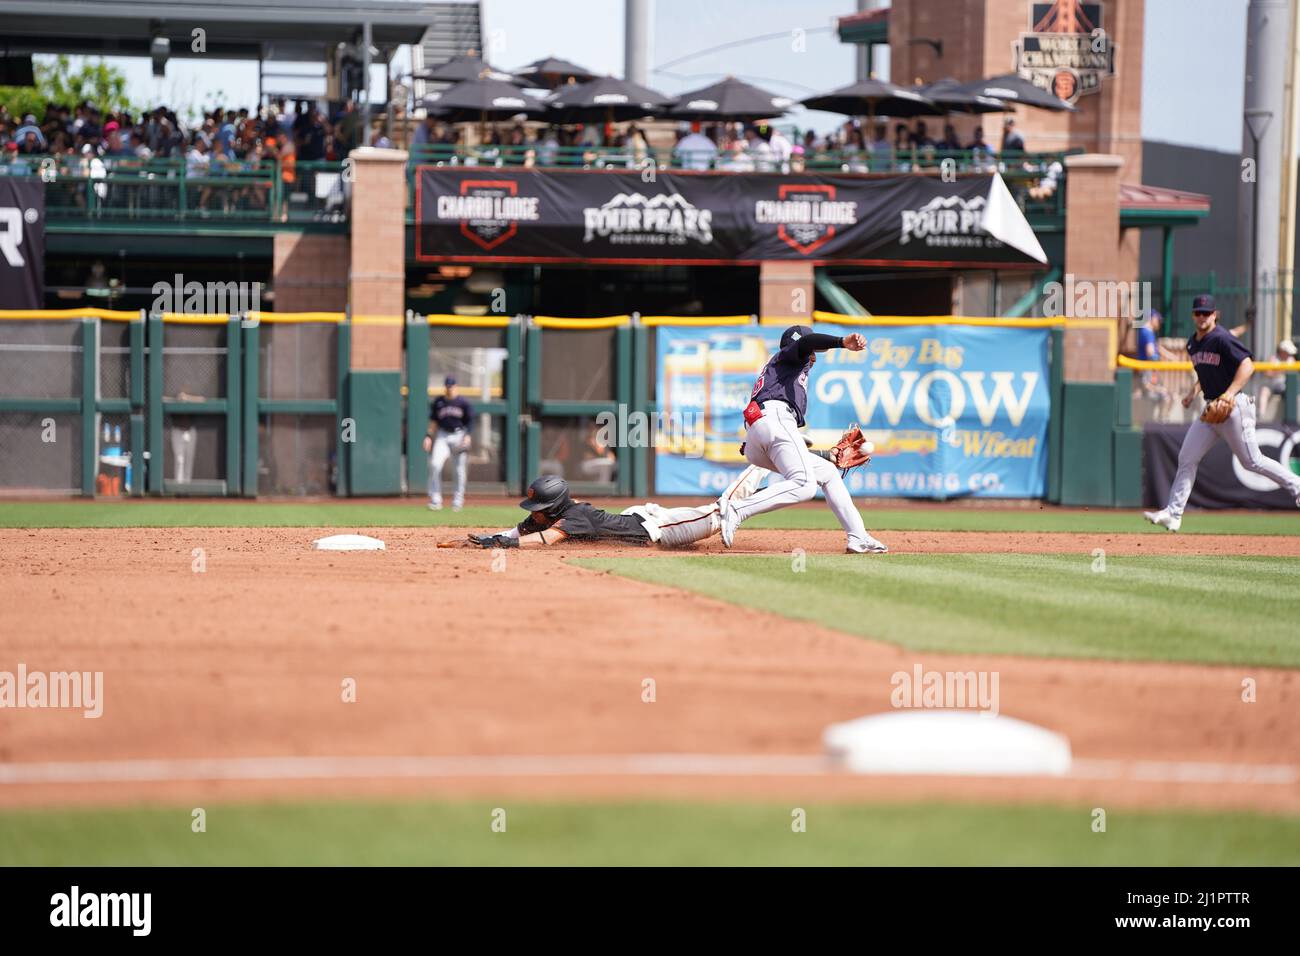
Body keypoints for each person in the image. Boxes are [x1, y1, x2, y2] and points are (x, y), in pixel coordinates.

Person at [718, 325, 888, 554]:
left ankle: (858, 537)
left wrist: (825, 455)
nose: (815, 356)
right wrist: (841, 341)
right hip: (775, 419)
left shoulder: (780, 370)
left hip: (759, 433)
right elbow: (806, 343)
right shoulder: (790, 356)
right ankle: (737, 510)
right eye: (814, 350)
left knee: (827, 473)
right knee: (804, 485)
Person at [1144, 295, 1300, 531]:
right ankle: (1174, 514)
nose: (1202, 317)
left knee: (1252, 461)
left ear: (1215, 314)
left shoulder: (1222, 338)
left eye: (1207, 313)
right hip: (1212, 408)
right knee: (1187, 457)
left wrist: (1229, 393)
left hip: (1235, 405)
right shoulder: (1192, 344)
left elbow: (1248, 365)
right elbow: (1205, 372)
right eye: (1198, 312)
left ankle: (1297, 486)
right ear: (1193, 315)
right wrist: (1193, 392)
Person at [466, 468, 768, 550]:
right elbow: (517, 531)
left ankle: (762, 465)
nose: (533, 513)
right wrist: (488, 539)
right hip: (636, 518)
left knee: (718, 512)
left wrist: (509, 544)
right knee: (718, 512)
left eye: (538, 507)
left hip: (659, 528)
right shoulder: (546, 516)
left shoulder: (573, 517)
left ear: (553, 506)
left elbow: (545, 540)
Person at [423, 375, 474, 511]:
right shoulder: (439, 402)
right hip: (443, 435)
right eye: (447, 386)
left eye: (451, 386)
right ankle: (435, 500)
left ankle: (458, 500)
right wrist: (428, 436)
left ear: (456, 387)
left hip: (459, 435)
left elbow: (470, 422)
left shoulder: (463, 402)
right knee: (434, 464)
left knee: (459, 470)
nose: (449, 388)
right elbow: (433, 421)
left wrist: (467, 436)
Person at [1133, 310, 1174, 421]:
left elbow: (1156, 347)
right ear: (1152, 319)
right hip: (1147, 371)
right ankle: (1162, 423)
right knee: (1166, 396)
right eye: (1158, 320)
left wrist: (1170, 356)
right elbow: (1151, 352)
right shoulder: (1147, 332)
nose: (1159, 323)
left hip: (1146, 371)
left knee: (1160, 394)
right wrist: (1158, 364)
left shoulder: (1144, 331)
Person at [1257, 339, 1296, 422]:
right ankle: (1261, 417)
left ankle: (1291, 420)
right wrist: (1279, 371)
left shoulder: (1292, 360)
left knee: (1291, 393)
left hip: (1285, 385)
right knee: (1264, 391)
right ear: (1282, 350)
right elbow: (1267, 373)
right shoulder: (1273, 359)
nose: (1288, 354)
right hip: (1272, 384)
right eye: (1287, 352)